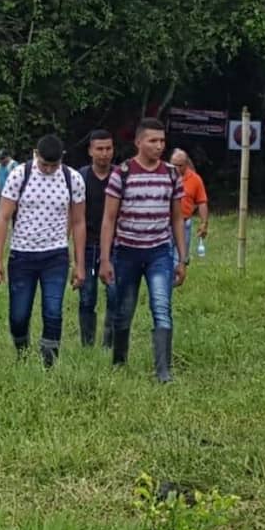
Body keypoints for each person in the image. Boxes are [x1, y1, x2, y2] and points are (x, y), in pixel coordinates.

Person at [99, 118, 186, 383]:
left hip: (159, 252)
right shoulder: (122, 173)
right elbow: (109, 219)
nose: (159, 146)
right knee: (124, 310)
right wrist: (105, 259)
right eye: (153, 141)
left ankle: (163, 371)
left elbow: (177, 219)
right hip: (126, 252)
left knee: (162, 307)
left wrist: (183, 258)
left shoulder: (172, 174)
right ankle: (119, 360)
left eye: (162, 141)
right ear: (138, 142)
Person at [0, 134, 86, 368]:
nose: (49, 169)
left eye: (54, 165)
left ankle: (49, 364)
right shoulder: (19, 175)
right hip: (22, 255)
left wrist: (79, 264)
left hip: (56, 255)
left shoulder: (72, 179)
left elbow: (79, 221)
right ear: (35, 155)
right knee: (18, 315)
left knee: (53, 311)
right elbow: (2, 217)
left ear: (61, 159)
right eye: (45, 164)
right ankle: (22, 352)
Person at [78, 130, 117, 348]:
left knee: (114, 296)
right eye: (99, 149)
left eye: (108, 148)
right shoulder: (80, 177)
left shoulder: (120, 176)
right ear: (91, 151)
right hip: (87, 245)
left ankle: (108, 345)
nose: (104, 153)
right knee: (87, 298)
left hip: (115, 246)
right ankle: (87, 344)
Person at [169, 148, 209, 264]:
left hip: (184, 223)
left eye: (180, 165)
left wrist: (204, 223)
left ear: (186, 164)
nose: (176, 168)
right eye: (173, 165)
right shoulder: (163, 176)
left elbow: (202, 202)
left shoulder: (195, 179)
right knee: (163, 259)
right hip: (165, 224)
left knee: (180, 260)